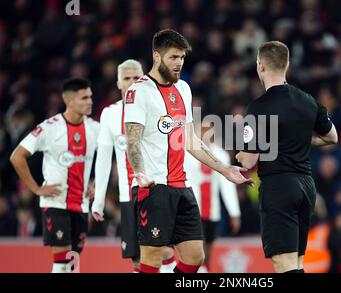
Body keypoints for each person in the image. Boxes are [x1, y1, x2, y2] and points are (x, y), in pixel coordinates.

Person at [123, 29, 253, 273]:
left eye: (182, 57)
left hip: (181, 185)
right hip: (153, 186)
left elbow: (191, 140)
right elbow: (133, 141)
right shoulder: (139, 91)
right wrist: (139, 173)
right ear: (157, 56)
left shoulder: (183, 88)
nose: (179, 63)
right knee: (151, 257)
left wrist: (224, 169)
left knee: (195, 257)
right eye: (173, 57)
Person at [236, 41, 338, 273]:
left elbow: (249, 161)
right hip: (305, 186)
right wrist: (303, 138)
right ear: (287, 65)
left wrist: (241, 155)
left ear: (260, 67)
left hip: (279, 187)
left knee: (284, 264)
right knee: (297, 262)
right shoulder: (308, 101)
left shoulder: (258, 107)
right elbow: (332, 137)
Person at [91, 59, 176, 273]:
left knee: (163, 251)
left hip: (157, 191)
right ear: (119, 83)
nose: (131, 82)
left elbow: (172, 150)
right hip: (128, 197)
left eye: (136, 78)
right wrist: (99, 200)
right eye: (126, 78)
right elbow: (103, 159)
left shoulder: (158, 109)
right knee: (138, 261)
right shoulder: (109, 114)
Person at [10, 78, 99, 273]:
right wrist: (36, 188)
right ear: (69, 101)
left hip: (81, 204)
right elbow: (17, 156)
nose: (90, 101)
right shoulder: (50, 127)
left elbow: (108, 156)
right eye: (84, 98)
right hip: (56, 202)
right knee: (63, 258)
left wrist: (97, 183)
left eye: (90, 97)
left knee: (73, 259)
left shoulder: (94, 128)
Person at [186, 126, 241, 273]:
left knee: (208, 249)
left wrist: (234, 213)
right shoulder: (190, 153)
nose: (206, 133)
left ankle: (205, 269)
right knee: (198, 249)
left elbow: (227, 187)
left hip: (212, 210)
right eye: (203, 130)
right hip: (193, 209)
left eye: (209, 130)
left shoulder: (221, 155)